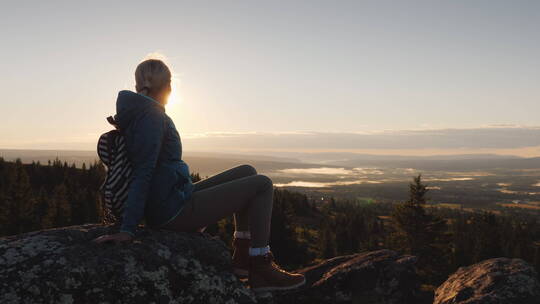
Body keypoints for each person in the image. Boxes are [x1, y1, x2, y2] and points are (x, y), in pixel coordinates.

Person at [92, 58, 306, 293]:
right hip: (170, 211)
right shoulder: (151, 116)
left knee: (247, 172)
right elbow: (143, 172)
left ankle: (243, 258)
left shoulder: (139, 113)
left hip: (172, 196)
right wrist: (127, 229)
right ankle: (261, 265)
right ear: (169, 87)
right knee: (263, 185)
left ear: (137, 85)